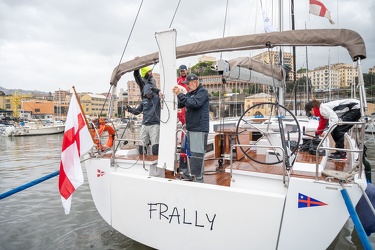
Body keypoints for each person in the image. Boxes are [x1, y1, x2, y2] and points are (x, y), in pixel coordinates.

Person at [172, 73, 210, 182]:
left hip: (199, 129)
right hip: (190, 128)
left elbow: (195, 103)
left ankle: (198, 178)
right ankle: (185, 174)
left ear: (194, 82)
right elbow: (181, 103)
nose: (187, 86)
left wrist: (180, 94)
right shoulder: (189, 94)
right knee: (184, 152)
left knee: (197, 155)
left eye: (188, 84)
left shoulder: (202, 92)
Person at [126, 83, 162, 155]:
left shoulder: (157, 98)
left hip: (154, 125)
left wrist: (156, 90)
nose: (147, 95)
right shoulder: (144, 101)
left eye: (148, 93)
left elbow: (162, 95)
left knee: (155, 145)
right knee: (141, 144)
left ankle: (156, 160)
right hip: (144, 124)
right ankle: (143, 159)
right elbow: (137, 111)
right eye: (146, 94)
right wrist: (130, 109)